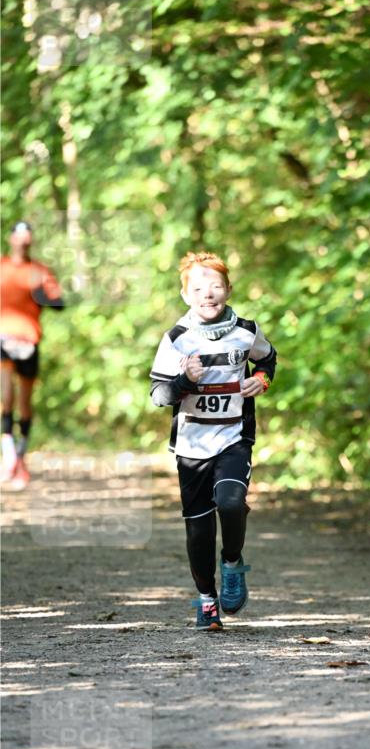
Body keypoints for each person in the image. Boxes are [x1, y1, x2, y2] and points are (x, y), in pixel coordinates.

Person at [149, 251, 277, 631]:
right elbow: (159, 395)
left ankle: (233, 563)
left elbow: (267, 361)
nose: (208, 294)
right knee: (199, 527)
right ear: (186, 294)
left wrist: (262, 381)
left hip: (234, 436)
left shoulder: (247, 330)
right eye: (199, 288)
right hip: (191, 447)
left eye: (216, 287)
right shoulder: (176, 339)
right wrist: (184, 379)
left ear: (228, 290)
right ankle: (206, 600)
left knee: (231, 501)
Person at [0, 221, 64, 489]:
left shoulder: (39, 271)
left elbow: (58, 302)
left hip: (29, 340)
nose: (24, 239)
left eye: (29, 234)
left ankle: (20, 460)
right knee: (6, 399)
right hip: (3, 337)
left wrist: (43, 295)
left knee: (25, 403)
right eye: (20, 234)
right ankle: (9, 458)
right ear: (11, 238)